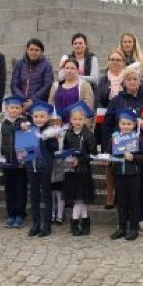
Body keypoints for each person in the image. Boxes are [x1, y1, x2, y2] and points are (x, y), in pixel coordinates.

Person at [103, 66, 143, 232]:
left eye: (135, 79)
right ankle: (124, 219)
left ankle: (141, 217)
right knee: (122, 185)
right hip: (121, 148)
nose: (132, 82)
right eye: (129, 79)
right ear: (123, 82)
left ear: (140, 81)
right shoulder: (117, 100)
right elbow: (108, 123)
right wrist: (107, 146)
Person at [109, 109, 143, 241]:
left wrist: (134, 158)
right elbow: (110, 152)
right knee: (121, 203)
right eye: (123, 124)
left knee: (134, 202)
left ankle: (133, 229)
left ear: (133, 125)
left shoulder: (138, 138)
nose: (125, 126)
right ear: (119, 124)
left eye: (128, 124)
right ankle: (122, 228)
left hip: (134, 175)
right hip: (119, 174)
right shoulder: (115, 138)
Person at [95, 48, 128, 209]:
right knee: (108, 160)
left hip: (124, 123)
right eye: (112, 59)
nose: (115, 62)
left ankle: (122, 193)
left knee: (123, 158)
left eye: (118, 60)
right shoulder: (103, 80)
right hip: (107, 122)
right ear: (108, 61)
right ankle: (110, 193)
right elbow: (98, 100)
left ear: (124, 63)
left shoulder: (127, 79)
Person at [61, 101, 97, 236]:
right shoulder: (68, 134)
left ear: (85, 120)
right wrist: (67, 158)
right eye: (75, 119)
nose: (77, 121)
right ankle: (86, 223)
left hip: (83, 171)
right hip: (71, 171)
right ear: (70, 120)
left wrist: (80, 159)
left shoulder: (89, 135)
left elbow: (92, 154)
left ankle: (74, 223)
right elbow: (65, 149)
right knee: (78, 199)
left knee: (79, 199)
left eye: (80, 119)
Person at [0, 95, 30, 228]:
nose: (14, 110)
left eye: (17, 108)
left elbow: (28, 143)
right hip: (7, 161)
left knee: (20, 189)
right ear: (6, 109)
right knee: (9, 189)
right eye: (12, 108)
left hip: (20, 163)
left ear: (21, 109)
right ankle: (11, 214)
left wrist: (24, 159)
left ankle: (20, 214)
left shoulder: (24, 123)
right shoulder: (2, 124)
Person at [26, 101, 60, 238]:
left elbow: (54, 149)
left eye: (42, 116)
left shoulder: (50, 131)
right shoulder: (29, 130)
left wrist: (51, 139)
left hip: (45, 166)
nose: (39, 119)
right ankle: (35, 224)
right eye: (36, 116)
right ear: (32, 117)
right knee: (34, 196)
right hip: (31, 166)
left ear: (47, 117)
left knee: (46, 196)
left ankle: (47, 225)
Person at [10, 38, 54, 109]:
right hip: (20, 104)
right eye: (31, 49)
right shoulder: (20, 64)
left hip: (38, 104)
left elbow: (47, 86)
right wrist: (22, 100)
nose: (33, 52)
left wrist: (33, 100)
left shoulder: (46, 65)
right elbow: (14, 85)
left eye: (37, 50)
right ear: (27, 50)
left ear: (41, 51)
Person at [48, 58, 94, 122]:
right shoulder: (55, 86)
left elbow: (88, 106)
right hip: (58, 124)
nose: (69, 71)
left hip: (76, 124)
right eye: (67, 68)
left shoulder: (84, 85)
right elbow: (51, 103)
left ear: (77, 70)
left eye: (72, 68)